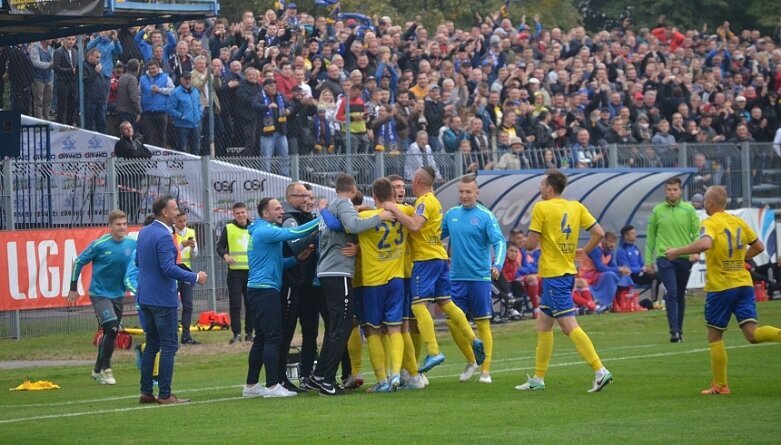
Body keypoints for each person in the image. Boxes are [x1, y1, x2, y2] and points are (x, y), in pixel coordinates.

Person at [665, 186, 781, 395]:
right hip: (743, 284)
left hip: (722, 287)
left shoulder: (710, 223)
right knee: (752, 334)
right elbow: (759, 247)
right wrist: (738, 258)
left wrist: (677, 251)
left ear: (709, 204)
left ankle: (720, 385)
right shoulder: (738, 221)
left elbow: (705, 244)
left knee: (714, 336)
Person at [515, 169, 613, 393]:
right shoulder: (575, 206)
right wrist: (583, 251)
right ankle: (538, 379)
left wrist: (526, 243)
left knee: (569, 325)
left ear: (550, 188)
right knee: (544, 324)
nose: (539, 188)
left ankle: (600, 370)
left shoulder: (542, 207)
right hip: (566, 273)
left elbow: (530, 245)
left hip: (554, 275)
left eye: (541, 184)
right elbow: (598, 232)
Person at [383, 166, 486, 375]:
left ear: (418, 181)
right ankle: (473, 338)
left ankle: (433, 350)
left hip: (425, 259)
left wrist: (392, 209)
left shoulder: (423, 202)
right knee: (446, 303)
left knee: (418, 305)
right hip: (439, 257)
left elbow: (414, 225)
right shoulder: (434, 201)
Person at [305, 174, 393, 396]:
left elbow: (343, 227)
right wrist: (380, 216)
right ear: (353, 190)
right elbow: (353, 225)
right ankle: (326, 380)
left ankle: (319, 375)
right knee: (342, 325)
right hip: (338, 271)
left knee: (337, 325)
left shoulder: (331, 207)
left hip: (328, 271)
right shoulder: (343, 205)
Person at [241, 197, 321, 399]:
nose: (281, 212)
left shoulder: (260, 230)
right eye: (276, 209)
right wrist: (322, 219)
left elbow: (276, 262)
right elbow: (293, 233)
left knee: (261, 338)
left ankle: (251, 386)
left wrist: (296, 259)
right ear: (265, 213)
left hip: (259, 290)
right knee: (274, 337)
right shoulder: (265, 230)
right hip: (264, 291)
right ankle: (272, 385)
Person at [136, 196, 207, 405]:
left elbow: (138, 261)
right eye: (175, 209)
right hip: (162, 298)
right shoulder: (165, 236)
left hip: (145, 297)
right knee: (169, 346)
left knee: (152, 345)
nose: (178, 212)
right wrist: (194, 277)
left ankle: (146, 392)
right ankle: (165, 394)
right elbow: (168, 267)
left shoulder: (145, 231)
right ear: (165, 213)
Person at [441, 175, 506, 384]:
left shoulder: (485, 216)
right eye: (461, 191)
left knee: (482, 324)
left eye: (468, 192)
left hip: (479, 278)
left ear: (477, 193)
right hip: (456, 278)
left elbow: (499, 242)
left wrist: (497, 265)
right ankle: (472, 360)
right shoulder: (451, 215)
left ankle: (485, 371)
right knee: (453, 323)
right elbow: (433, 237)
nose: (464, 195)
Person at [67, 210, 136, 386]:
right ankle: (106, 369)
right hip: (99, 294)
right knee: (112, 329)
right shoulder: (99, 244)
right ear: (110, 226)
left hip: (118, 294)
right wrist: (73, 287)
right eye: (118, 224)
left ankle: (97, 368)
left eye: (124, 224)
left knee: (110, 332)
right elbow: (79, 262)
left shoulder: (132, 244)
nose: (122, 227)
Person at [645, 177, 700, 342]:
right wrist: (648, 261)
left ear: (680, 190)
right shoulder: (657, 211)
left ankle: (680, 330)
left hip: (683, 257)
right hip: (665, 257)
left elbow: (696, 233)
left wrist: (696, 252)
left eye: (675, 189)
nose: (672, 192)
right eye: (669, 189)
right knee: (672, 292)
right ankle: (673, 331)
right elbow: (650, 238)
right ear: (665, 191)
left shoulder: (689, 210)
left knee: (680, 295)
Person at [277, 182, 318, 392]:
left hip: (310, 284)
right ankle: (280, 377)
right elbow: (296, 244)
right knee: (287, 331)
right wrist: (317, 230)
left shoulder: (310, 218)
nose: (306, 200)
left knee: (311, 331)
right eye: (301, 196)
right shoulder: (288, 219)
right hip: (291, 282)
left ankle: (307, 375)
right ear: (290, 198)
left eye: (309, 197)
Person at [216, 202, 254, 344]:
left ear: (247, 212)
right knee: (235, 304)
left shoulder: (253, 228)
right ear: (233, 214)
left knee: (251, 304)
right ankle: (237, 333)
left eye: (243, 212)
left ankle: (250, 333)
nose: (241, 215)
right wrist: (225, 255)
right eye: (237, 213)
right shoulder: (229, 228)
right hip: (235, 273)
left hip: (252, 271)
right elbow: (219, 246)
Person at [114, 121, 152, 224]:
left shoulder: (137, 142)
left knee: (136, 202)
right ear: (121, 131)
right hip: (126, 177)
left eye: (130, 127)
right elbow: (132, 153)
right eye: (126, 128)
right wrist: (139, 153)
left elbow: (148, 154)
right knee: (126, 201)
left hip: (137, 176)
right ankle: (124, 222)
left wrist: (138, 153)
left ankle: (134, 222)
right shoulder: (120, 144)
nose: (129, 130)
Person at [174, 210, 199, 345]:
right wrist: (182, 245)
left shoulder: (190, 232)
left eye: (185, 220)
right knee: (172, 304)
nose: (183, 223)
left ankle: (186, 335)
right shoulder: (171, 233)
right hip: (174, 268)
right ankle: (172, 335)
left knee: (188, 305)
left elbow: (194, 254)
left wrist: (193, 247)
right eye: (180, 221)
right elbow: (171, 250)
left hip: (186, 269)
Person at [167, 71, 202, 154]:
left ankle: (195, 167)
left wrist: (199, 114)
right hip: (182, 125)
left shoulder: (195, 91)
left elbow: (199, 105)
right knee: (182, 149)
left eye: (189, 78)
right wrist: (181, 116)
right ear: (181, 80)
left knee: (196, 149)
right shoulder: (176, 93)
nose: (188, 81)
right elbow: (170, 108)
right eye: (186, 79)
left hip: (195, 125)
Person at [53, 36, 79, 126]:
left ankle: (70, 123)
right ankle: (60, 124)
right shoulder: (58, 52)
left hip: (73, 81)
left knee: (72, 104)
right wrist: (70, 70)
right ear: (64, 40)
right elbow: (56, 68)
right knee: (62, 105)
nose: (71, 41)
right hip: (63, 81)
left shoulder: (75, 52)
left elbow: (77, 66)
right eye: (69, 39)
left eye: (73, 39)